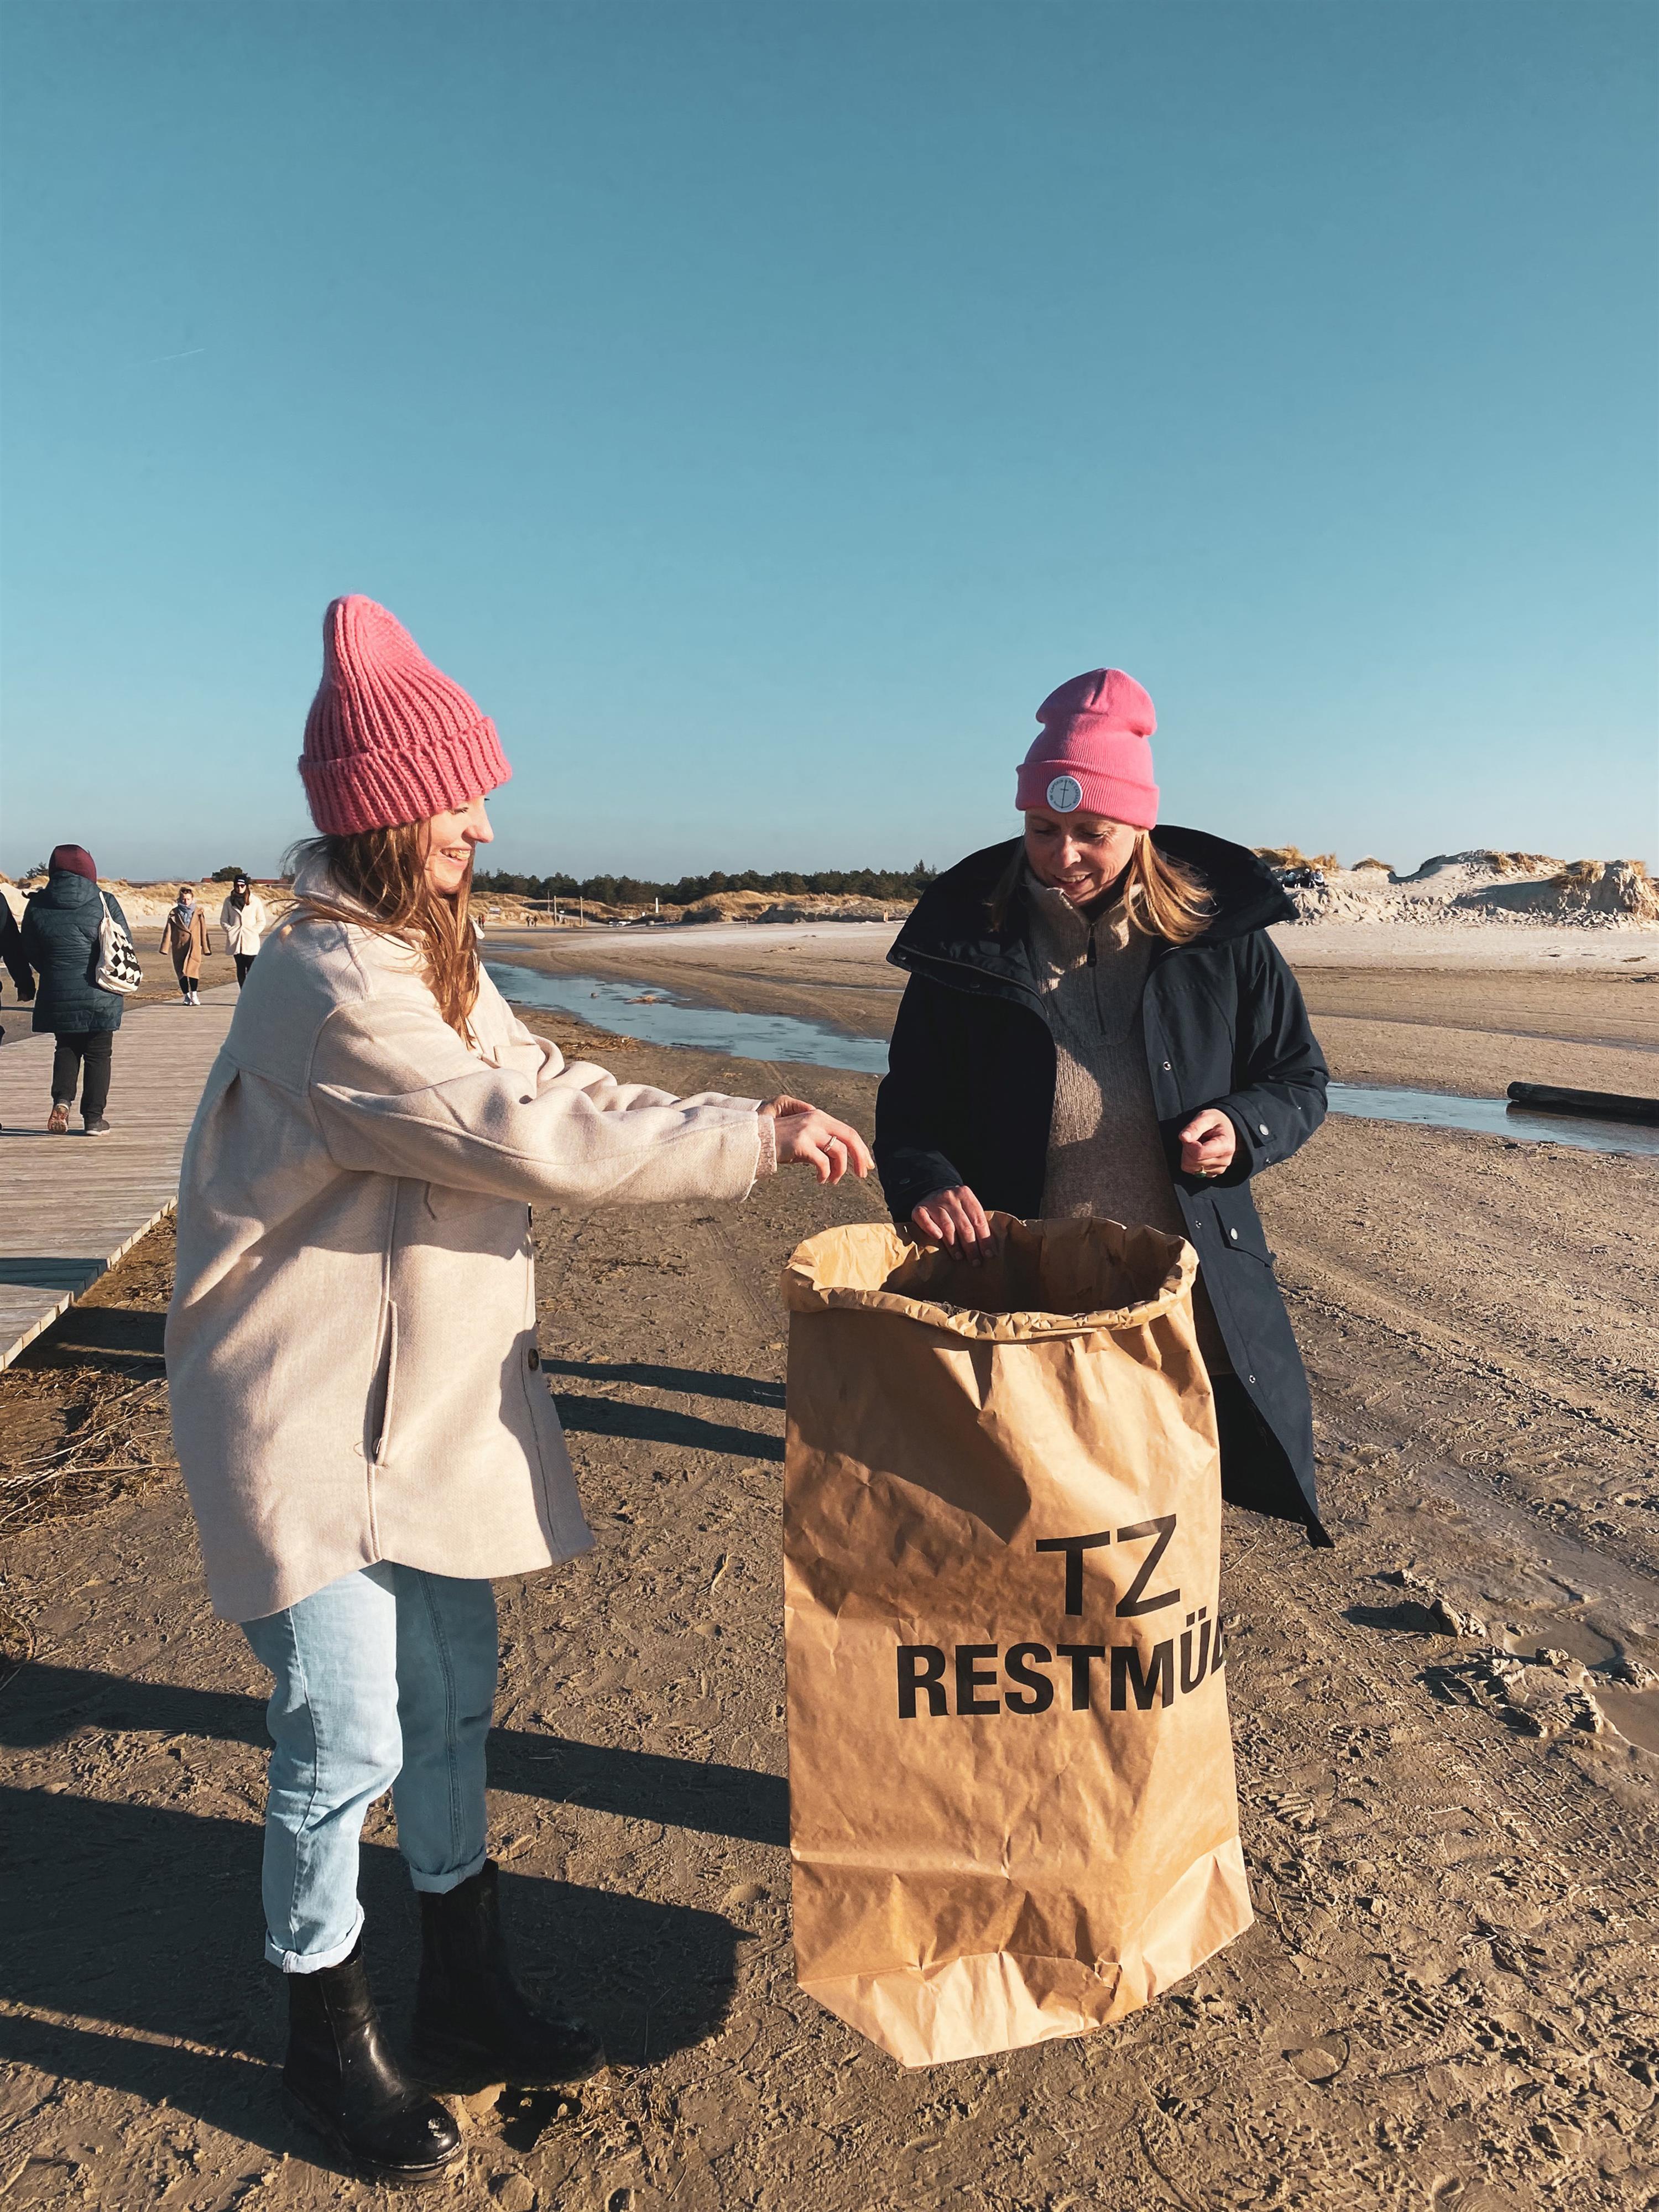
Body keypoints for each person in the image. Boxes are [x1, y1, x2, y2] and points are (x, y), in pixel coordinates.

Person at [165, 596, 873, 2185]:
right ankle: (321, 2034)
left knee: (452, 1697)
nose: (481, 824)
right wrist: (744, 1146)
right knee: (340, 1726)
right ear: (383, 814)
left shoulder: (433, 958)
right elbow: (510, 1131)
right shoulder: (335, 987)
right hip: (302, 1409)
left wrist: (731, 1105)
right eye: (457, 801)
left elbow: (547, 1077)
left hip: (414, 1409)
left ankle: (467, 1989)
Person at [874, 666, 1332, 1545]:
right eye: (1042, 829)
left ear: (1141, 824)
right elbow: (913, 1105)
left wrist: (1241, 1127)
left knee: (1166, 1513)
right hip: (1026, 1289)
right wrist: (924, 1179)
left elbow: (1298, 1079)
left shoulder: (1224, 939)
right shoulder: (966, 944)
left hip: (1179, 1296)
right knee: (1034, 1519)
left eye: (1091, 831)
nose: (1064, 855)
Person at [19, 844, 128, 1135]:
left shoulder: (38, 904)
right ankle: (93, 1119)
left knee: (66, 1047)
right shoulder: (105, 901)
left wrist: (54, 972)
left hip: (58, 990)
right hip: (101, 992)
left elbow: (29, 948)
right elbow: (122, 942)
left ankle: (62, 1102)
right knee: (99, 1054)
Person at [160, 885, 211, 1004]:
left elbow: (204, 930)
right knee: (181, 971)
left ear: (192, 899)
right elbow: (168, 930)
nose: (186, 902)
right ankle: (186, 996)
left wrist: (206, 948)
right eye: (184, 899)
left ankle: (194, 994)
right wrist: (165, 947)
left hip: (194, 946)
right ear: (180, 899)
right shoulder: (174, 913)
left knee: (194, 970)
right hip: (179, 946)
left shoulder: (198, 912)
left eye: (188, 899)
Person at [218, 874, 268, 987]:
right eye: (237, 885)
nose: (240, 888)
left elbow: (261, 921)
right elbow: (223, 920)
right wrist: (231, 930)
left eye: (242, 885)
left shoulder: (255, 901)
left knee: (251, 970)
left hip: (251, 941)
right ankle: (242, 994)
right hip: (236, 941)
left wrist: (253, 931)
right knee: (240, 969)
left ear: (246, 886)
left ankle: (250, 994)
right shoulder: (228, 901)